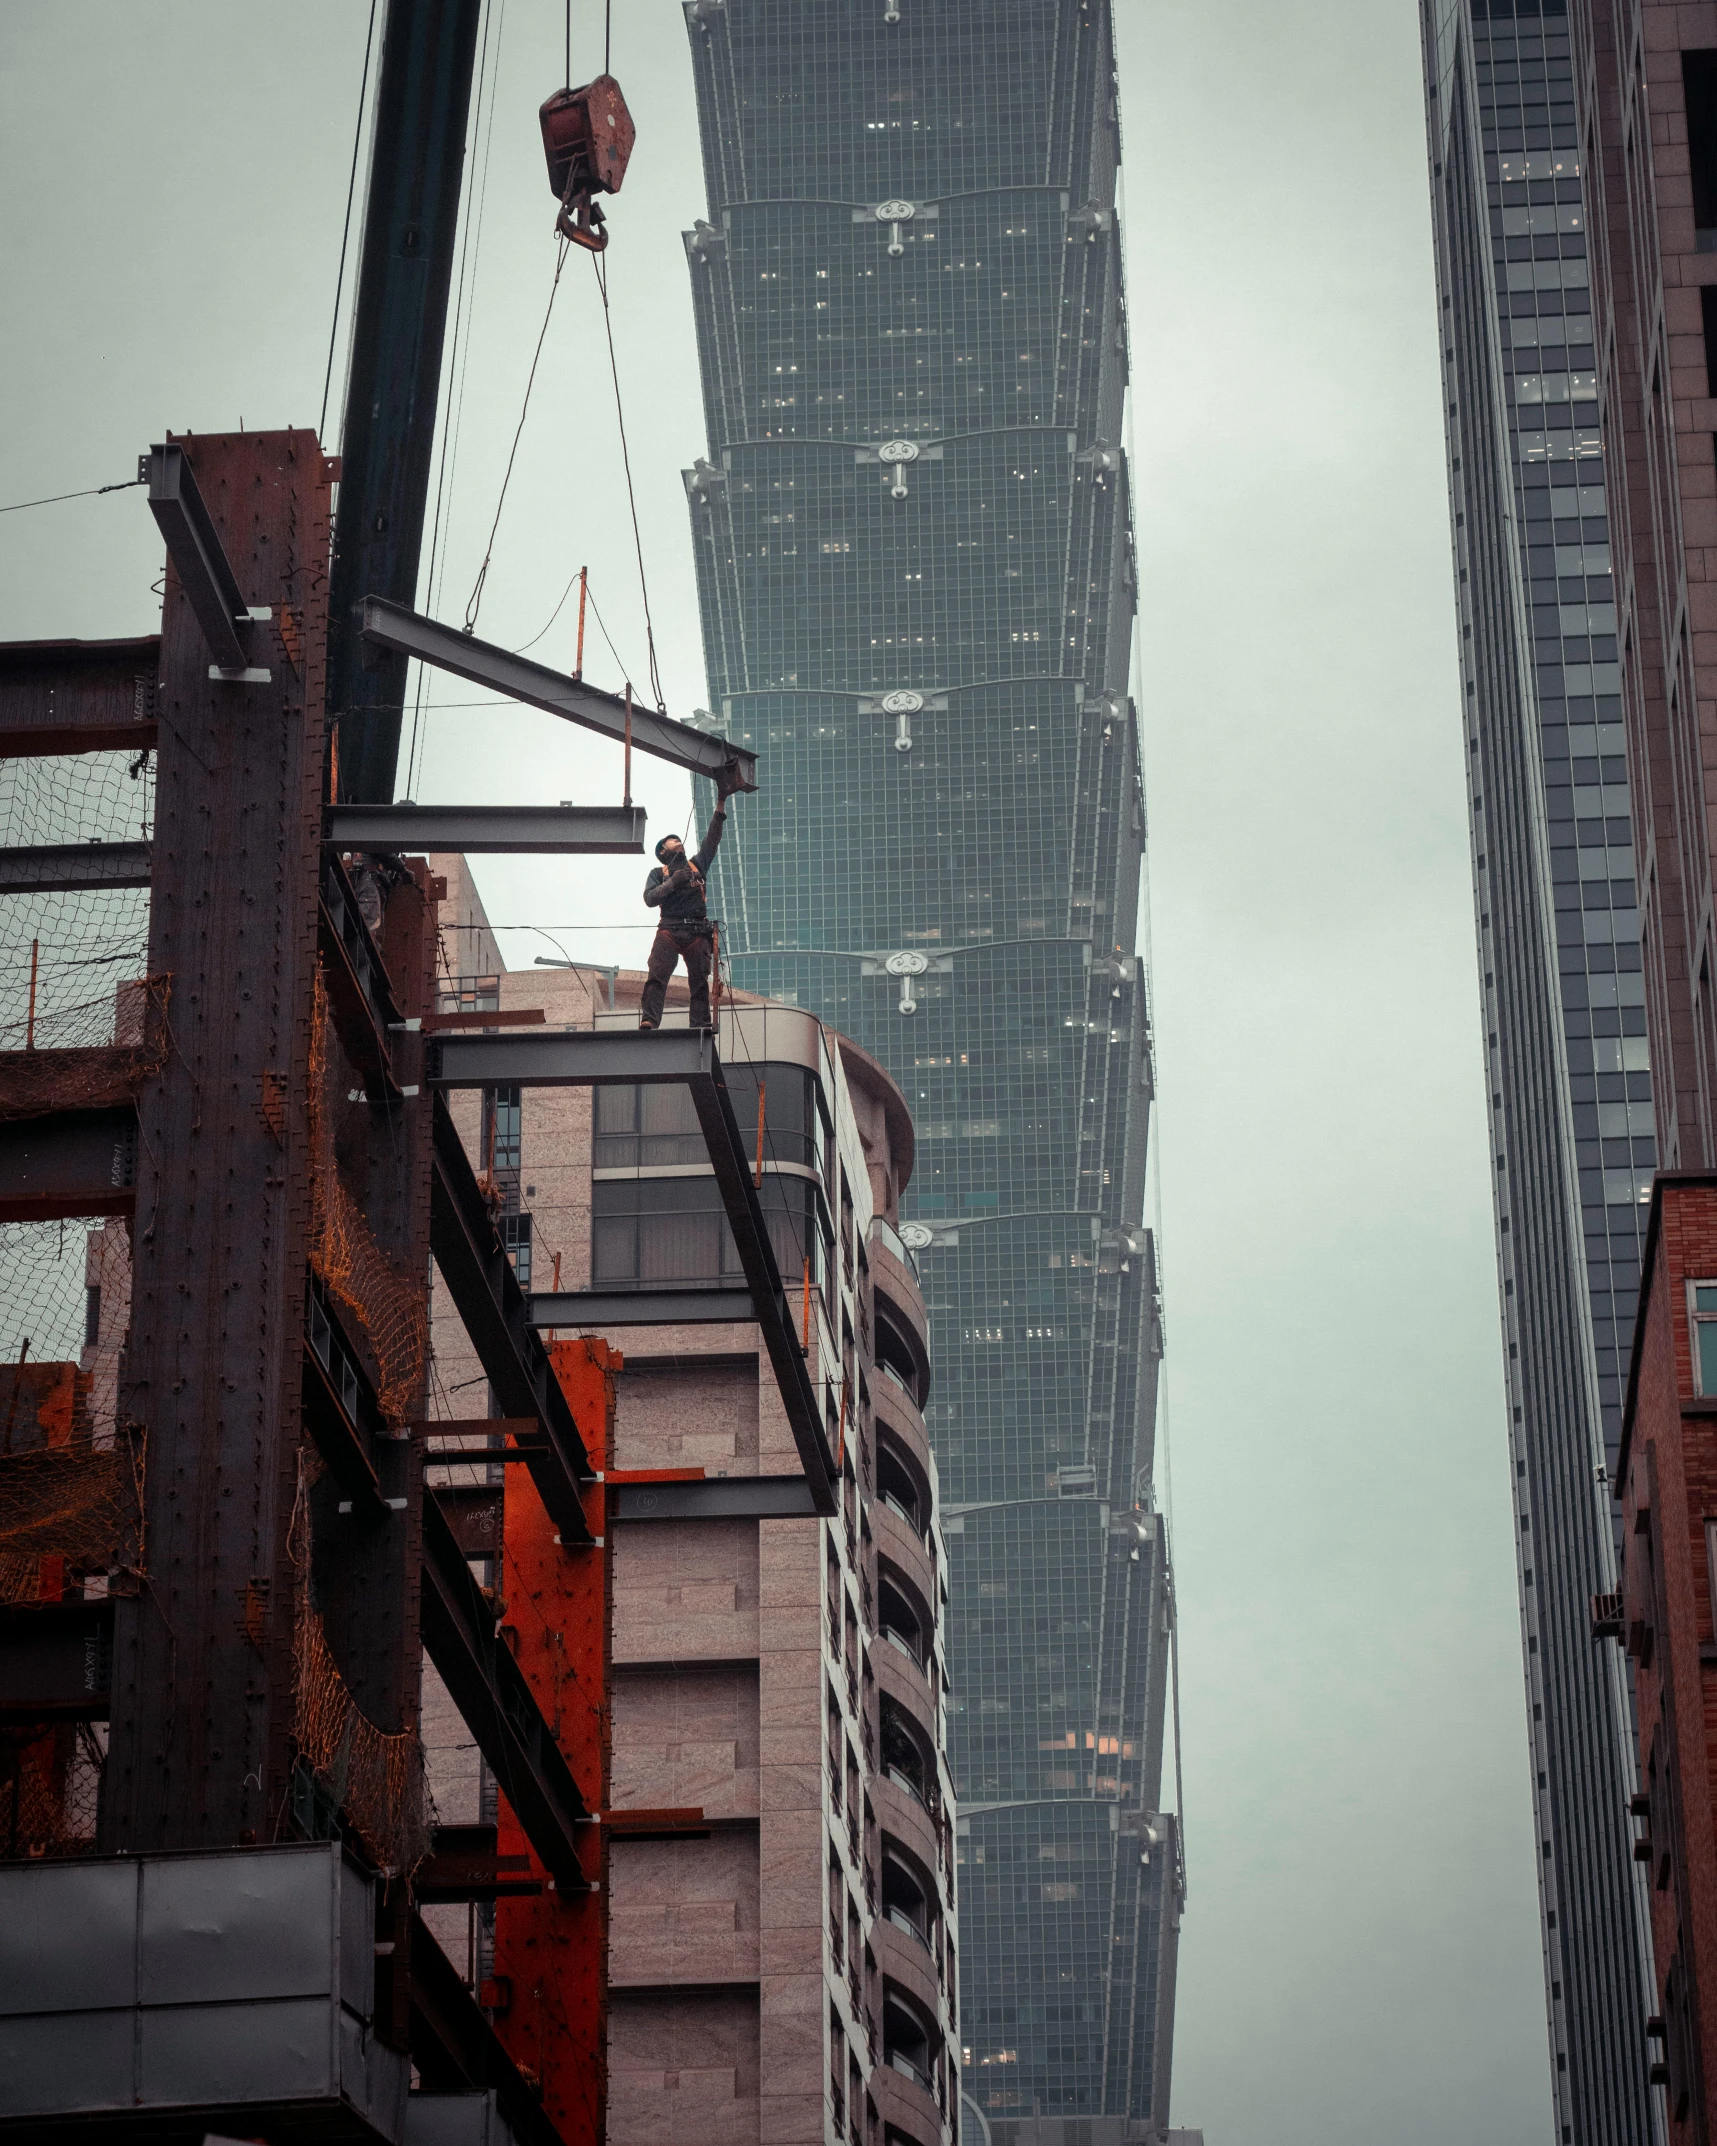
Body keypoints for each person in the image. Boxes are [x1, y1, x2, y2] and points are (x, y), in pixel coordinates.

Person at [638, 765, 743, 1030]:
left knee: (699, 984)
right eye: (672, 841)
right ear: (663, 851)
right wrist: (674, 881)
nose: (678, 841)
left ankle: (699, 1027)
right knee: (657, 976)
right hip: (669, 930)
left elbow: (713, 838)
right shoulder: (658, 872)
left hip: (697, 932)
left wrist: (721, 801)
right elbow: (650, 899)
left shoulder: (697, 865)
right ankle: (650, 1019)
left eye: (678, 839)